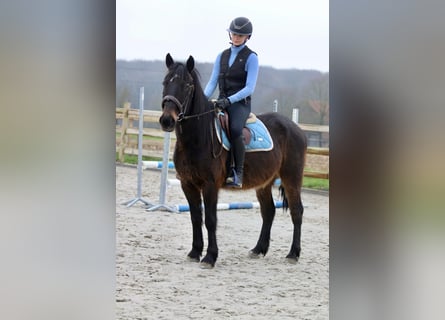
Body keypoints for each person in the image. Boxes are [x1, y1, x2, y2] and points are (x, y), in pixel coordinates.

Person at [204, 17, 259, 188]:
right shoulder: (222, 56)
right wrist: (202, 100)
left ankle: (238, 172)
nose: (236, 37)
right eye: (234, 34)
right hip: (221, 101)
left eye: (240, 35)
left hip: (239, 104)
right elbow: (212, 82)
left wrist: (229, 100)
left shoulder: (251, 58)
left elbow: (250, 87)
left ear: (247, 37)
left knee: (235, 129)